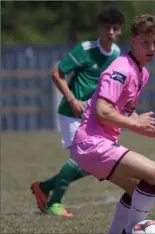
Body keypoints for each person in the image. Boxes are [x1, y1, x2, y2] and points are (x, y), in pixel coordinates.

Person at [69, 14, 155, 234]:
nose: (151, 47)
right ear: (133, 41)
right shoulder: (121, 69)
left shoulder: (141, 72)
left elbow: (124, 111)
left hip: (95, 145)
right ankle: (132, 230)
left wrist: (154, 133)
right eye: (145, 42)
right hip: (92, 144)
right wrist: (135, 123)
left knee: (137, 191)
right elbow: (102, 111)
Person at [30, 7, 125, 217]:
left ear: (119, 31)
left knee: (94, 163)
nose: (110, 32)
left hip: (91, 116)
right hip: (70, 113)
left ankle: (44, 188)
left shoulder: (117, 54)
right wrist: (72, 99)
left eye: (115, 28)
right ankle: (53, 203)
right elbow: (56, 72)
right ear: (101, 28)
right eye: (107, 27)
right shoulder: (85, 49)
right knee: (83, 159)